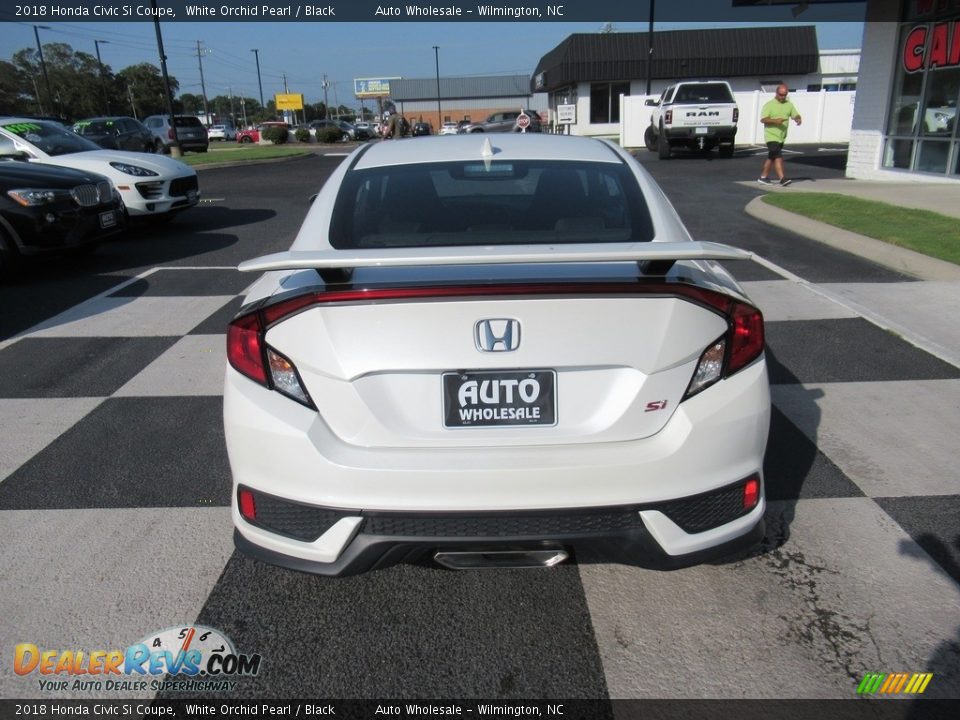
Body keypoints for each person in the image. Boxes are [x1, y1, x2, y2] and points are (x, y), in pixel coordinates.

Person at [758, 84, 802, 187]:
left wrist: (798, 118)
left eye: (785, 95)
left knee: (772, 157)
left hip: (781, 136)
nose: (783, 97)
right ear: (776, 93)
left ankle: (763, 177)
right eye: (781, 95)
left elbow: (795, 114)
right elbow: (763, 119)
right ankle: (782, 178)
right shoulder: (769, 105)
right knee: (778, 156)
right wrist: (775, 121)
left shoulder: (789, 105)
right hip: (771, 136)